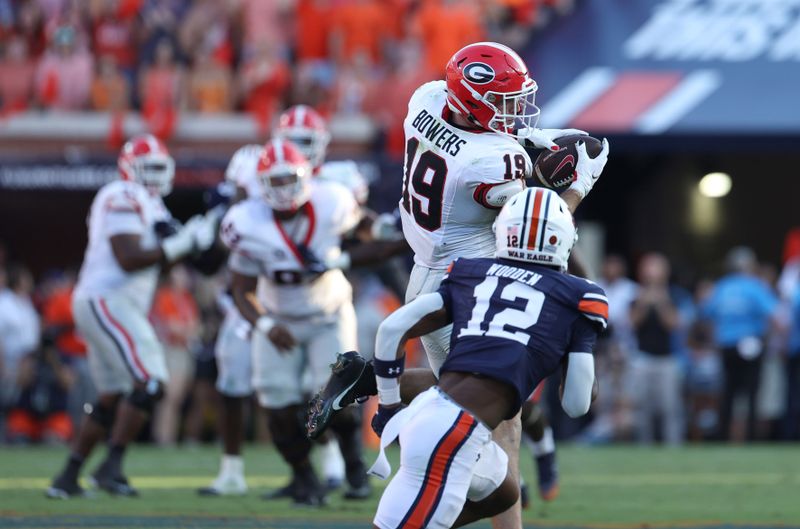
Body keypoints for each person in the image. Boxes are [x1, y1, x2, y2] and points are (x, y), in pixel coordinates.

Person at [307, 41, 608, 526]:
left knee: (477, 396)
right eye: (505, 102)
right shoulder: (490, 162)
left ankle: (371, 381)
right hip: (468, 279)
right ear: (475, 102)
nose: (515, 111)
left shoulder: (426, 98)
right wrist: (578, 184)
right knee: (498, 407)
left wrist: (544, 143)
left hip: (433, 269)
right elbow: (538, 222)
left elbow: (508, 141)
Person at [367, 188, 604, 529]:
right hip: (453, 434)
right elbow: (576, 404)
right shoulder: (579, 297)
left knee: (504, 492)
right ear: (565, 239)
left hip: (436, 413)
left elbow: (392, 329)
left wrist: (388, 406)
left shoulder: (472, 271)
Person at [47, 134, 218, 498]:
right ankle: (111, 468)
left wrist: (201, 236)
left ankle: (68, 475)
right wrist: (181, 242)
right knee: (151, 381)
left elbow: (187, 260)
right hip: (108, 299)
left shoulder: (153, 205)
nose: (155, 176)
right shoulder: (121, 195)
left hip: (112, 302)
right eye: (149, 168)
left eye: (160, 168)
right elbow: (127, 256)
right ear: (129, 169)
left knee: (113, 394)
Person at [218, 139, 379, 505]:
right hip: (278, 320)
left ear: (306, 175)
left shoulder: (332, 201)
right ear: (260, 185)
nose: (284, 188)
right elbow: (241, 289)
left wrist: (351, 252)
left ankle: (354, 466)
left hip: (328, 313)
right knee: (276, 404)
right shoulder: (246, 222)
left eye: (290, 178)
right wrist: (263, 325)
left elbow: (370, 230)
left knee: (335, 395)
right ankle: (304, 478)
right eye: (274, 182)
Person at [702, 247, 779, 441]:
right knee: (752, 395)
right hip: (751, 345)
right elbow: (777, 316)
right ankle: (751, 437)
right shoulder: (754, 286)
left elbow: (705, 314)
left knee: (728, 394)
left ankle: (723, 436)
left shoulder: (722, 287)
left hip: (727, 346)